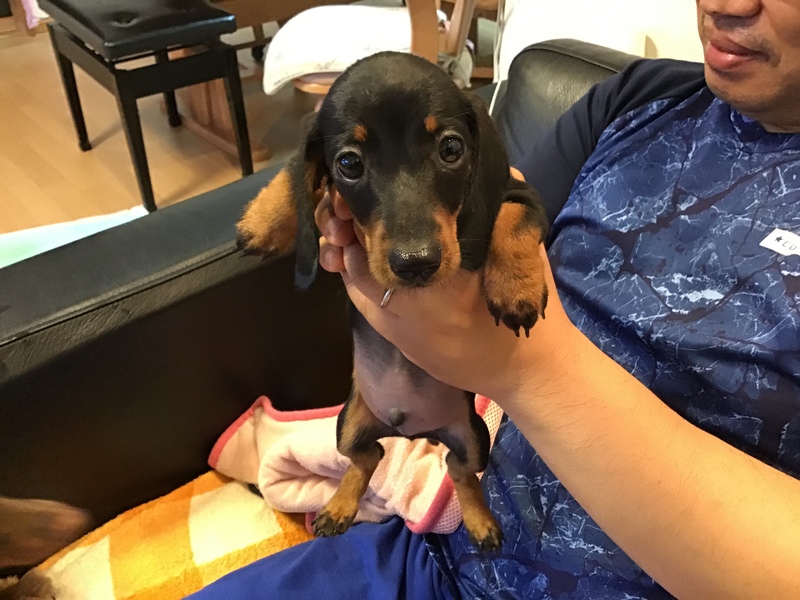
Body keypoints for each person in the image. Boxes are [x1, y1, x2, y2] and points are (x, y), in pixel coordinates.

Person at [189, 0, 800, 597]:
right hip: (436, 554)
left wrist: (522, 369)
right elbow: (502, 203)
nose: (726, 4)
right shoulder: (639, 100)